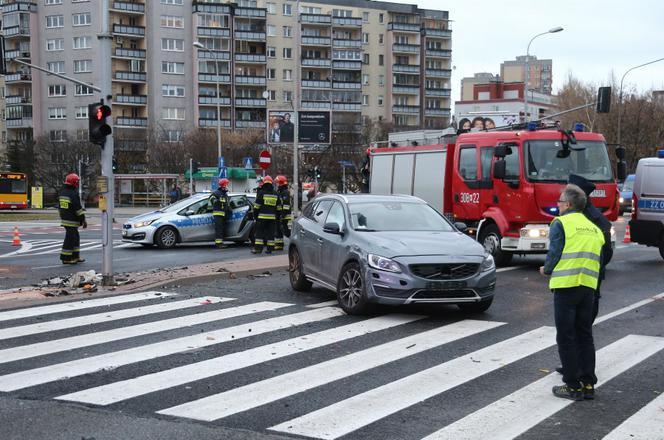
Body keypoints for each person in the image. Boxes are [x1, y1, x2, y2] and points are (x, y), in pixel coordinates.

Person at [540, 184, 605, 401]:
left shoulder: (561, 223)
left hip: (567, 286)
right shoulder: (594, 228)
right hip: (588, 287)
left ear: (567, 204)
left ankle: (572, 385)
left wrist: (546, 269)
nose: (557, 205)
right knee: (585, 335)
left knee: (566, 336)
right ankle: (588, 385)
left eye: (559, 201)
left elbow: (555, 251)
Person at [58, 173, 87, 264]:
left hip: (65, 219)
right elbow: (78, 209)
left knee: (75, 237)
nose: (77, 183)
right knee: (70, 239)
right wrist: (83, 220)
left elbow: (60, 207)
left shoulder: (63, 192)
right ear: (74, 182)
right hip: (72, 220)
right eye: (77, 181)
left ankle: (75, 256)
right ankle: (66, 258)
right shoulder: (73, 194)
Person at [252, 175, 281, 254]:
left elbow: (256, 207)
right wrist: (277, 217)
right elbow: (279, 208)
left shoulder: (261, 193)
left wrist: (255, 216)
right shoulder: (276, 194)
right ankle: (270, 249)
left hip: (261, 217)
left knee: (259, 233)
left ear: (264, 183)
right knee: (270, 234)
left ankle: (258, 249)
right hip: (272, 218)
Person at [209, 178, 230, 249]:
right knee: (219, 229)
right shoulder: (217, 193)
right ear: (223, 185)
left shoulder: (225, 194)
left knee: (222, 229)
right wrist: (215, 201)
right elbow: (211, 198)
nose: (228, 186)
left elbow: (227, 204)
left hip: (223, 214)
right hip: (218, 214)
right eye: (227, 185)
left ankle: (221, 242)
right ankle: (218, 243)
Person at [274, 175, 291, 251]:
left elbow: (286, 204)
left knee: (285, 230)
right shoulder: (280, 191)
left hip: (285, 215)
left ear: (281, 183)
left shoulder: (285, 192)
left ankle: (294, 240)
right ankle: (279, 245)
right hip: (280, 214)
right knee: (278, 229)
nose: (277, 184)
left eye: (277, 183)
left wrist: (283, 214)